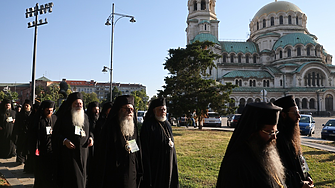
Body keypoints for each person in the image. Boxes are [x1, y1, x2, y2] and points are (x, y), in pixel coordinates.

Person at [216, 102, 285, 188]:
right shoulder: (237, 164)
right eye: (270, 132)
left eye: (275, 132)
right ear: (253, 132)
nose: (274, 137)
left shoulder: (265, 156)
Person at [93, 95, 143, 188]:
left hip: (131, 173)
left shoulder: (133, 127)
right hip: (114, 175)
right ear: (119, 109)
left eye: (132, 109)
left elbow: (136, 151)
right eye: (127, 108)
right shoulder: (110, 127)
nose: (130, 111)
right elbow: (102, 156)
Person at [52, 92, 93, 188]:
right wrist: (64, 140)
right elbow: (56, 134)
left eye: (80, 103)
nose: (79, 105)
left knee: (82, 178)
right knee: (74, 179)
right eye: (76, 103)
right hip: (70, 154)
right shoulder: (64, 118)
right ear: (71, 105)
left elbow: (90, 131)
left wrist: (91, 137)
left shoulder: (86, 117)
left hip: (84, 153)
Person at [274, 96, 314, 188]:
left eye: (299, 112)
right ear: (284, 115)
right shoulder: (278, 139)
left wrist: (307, 176)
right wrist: (300, 183)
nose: (299, 116)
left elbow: (300, 161)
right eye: (295, 113)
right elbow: (279, 170)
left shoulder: (292, 135)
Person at [140, 97, 179, 188]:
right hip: (155, 163)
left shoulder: (167, 124)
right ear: (154, 111)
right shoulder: (148, 125)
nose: (163, 111)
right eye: (160, 109)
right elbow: (145, 148)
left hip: (168, 161)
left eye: (164, 109)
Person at [30, 100, 58, 188]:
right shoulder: (38, 119)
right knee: (41, 173)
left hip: (52, 150)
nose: (50, 112)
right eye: (47, 110)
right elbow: (34, 136)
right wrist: (36, 148)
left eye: (51, 110)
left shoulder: (55, 118)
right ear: (43, 110)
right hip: (41, 151)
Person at [13, 99, 32, 165]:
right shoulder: (20, 115)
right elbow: (17, 125)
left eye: (27, 106)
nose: (26, 107)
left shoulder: (32, 115)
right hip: (21, 133)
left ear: (30, 106)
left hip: (29, 134)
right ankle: (20, 160)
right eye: (25, 105)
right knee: (20, 147)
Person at [85, 101, 99, 187]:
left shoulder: (99, 120)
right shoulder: (87, 120)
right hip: (89, 148)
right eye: (95, 109)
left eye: (98, 109)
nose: (97, 112)